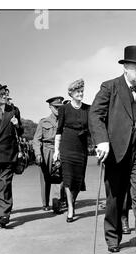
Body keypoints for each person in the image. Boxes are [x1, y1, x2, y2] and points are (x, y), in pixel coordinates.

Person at [89, 45, 136, 254]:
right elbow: (94, 115)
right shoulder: (109, 87)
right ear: (126, 67)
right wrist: (101, 141)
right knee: (115, 198)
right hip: (116, 152)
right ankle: (113, 236)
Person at [54, 79, 90, 223]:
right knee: (68, 178)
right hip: (67, 145)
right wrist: (56, 150)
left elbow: (93, 126)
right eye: (77, 92)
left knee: (78, 179)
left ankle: (72, 200)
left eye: (82, 91)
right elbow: (58, 130)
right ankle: (70, 207)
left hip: (81, 147)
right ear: (71, 93)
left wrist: (86, 131)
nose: (80, 94)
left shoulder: (88, 108)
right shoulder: (64, 109)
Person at [0, 81, 23, 228]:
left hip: (8, 154)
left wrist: (17, 124)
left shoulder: (13, 110)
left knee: (5, 184)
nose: (5, 95)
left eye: (6, 93)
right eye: (1, 94)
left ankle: (4, 214)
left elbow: (21, 132)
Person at [33, 96, 66, 213]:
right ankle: (45, 203)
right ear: (50, 107)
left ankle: (57, 202)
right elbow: (36, 140)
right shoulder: (44, 122)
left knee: (60, 177)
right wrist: (38, 154)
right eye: (56, 107)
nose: (58, 109)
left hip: (60, 150)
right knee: (45, 178)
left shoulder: (65, 120)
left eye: (60, 107)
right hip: (46, 151)